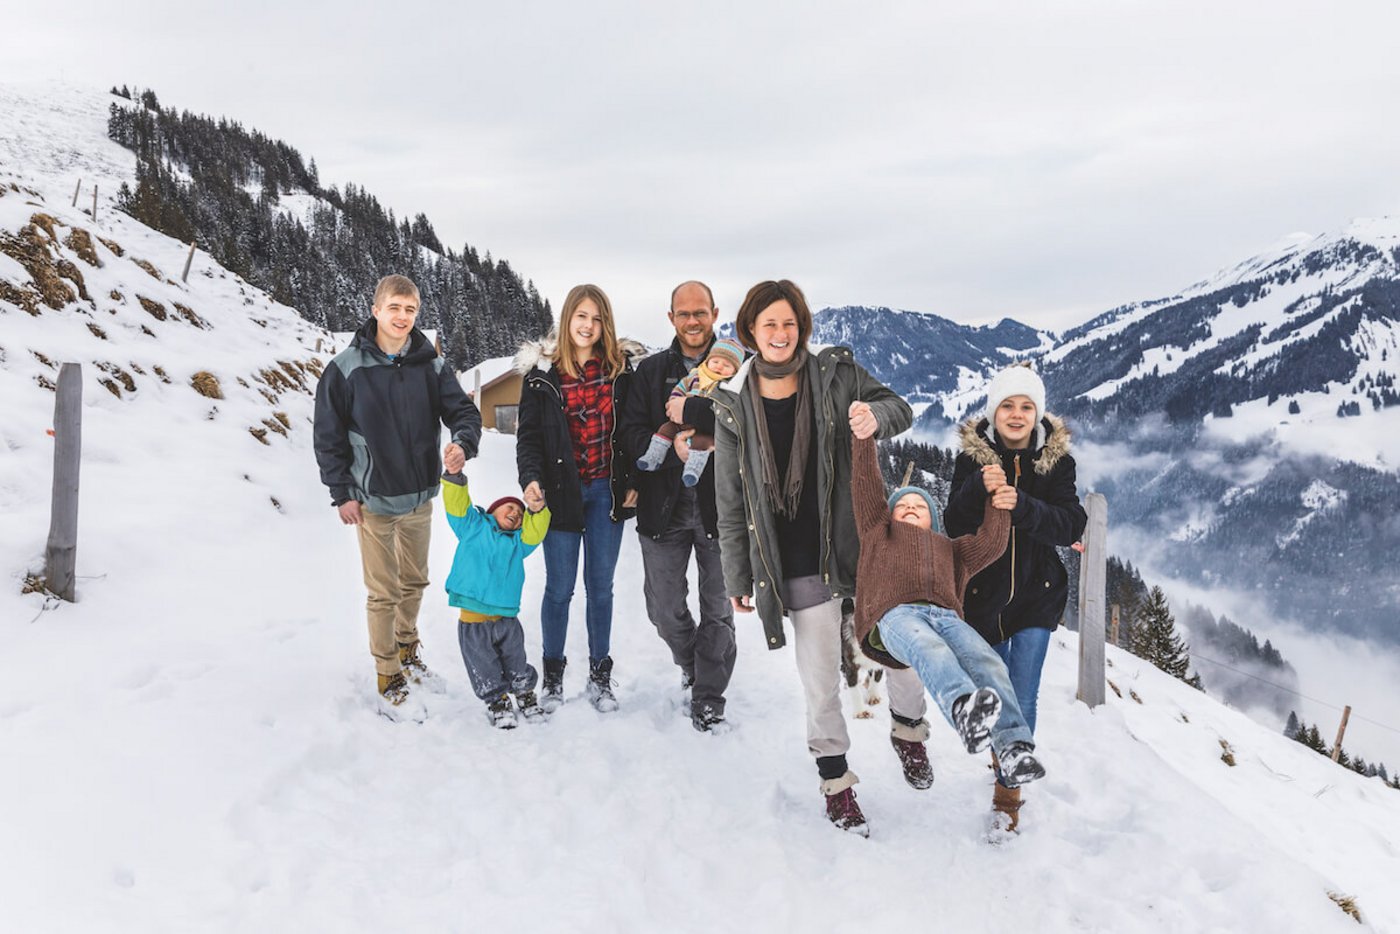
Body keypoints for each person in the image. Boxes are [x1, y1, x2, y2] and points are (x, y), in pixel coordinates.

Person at [711, 279, 933, 837]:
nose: (780, 334)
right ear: (751, 332)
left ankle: (909, 732)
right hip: (795, 559)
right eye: (769, 325)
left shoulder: (835, 374)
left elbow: (898, 407)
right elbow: (730, 500)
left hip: (861, 546)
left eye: (789, 323)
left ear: (801, 327)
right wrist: (738, 573)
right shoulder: (734, 401)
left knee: (900, 649)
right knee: (820, 681)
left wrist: (875, 419)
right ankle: (837, 785)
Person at [313, 274, 481, 713]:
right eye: (394, 308)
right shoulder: (346, 368)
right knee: (383, 591)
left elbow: (462, 410)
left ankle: (407, 646)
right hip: (371, 502)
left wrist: (462, 443)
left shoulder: (431, 364)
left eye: (410, 310)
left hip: (420, 497)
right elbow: (327, 436)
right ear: (376, 310)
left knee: (415, 581)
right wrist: (341, 493)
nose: (402, 317)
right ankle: (388, 670)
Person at [848, 433, 1047, 794]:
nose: (910, 506)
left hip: (947, 618)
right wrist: (864, 440)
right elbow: (865, 486)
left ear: (934, 520)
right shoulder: (878, 534)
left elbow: (992, 543)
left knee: (988, 662)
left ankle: (1014, 748)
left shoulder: (951, 549)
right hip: (895, 616)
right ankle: (963, 710)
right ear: (888, 516)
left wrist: (997, 500)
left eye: (919, 505)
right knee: (931, 649)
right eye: (902, 504)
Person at [945, 363, 1087, 831]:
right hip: (984, 598)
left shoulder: (1056, 462)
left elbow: (1071, 525)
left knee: (1022, 693)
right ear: (994, 411)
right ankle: (1001, 752)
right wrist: (975, 489)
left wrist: (1021, 506)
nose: (1017, 414)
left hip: (1036, 597)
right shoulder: (972, 458)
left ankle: (1008, 792)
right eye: (1008, 405)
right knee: (994, 688)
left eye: (1026, 406)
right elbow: (953, 524)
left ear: (1038, 413)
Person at [515, 284, 641, 713]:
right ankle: (552, 677)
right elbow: (528, 437)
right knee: (559, 589)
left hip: (607, 493)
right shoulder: (541, 376)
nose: (589, 326)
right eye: (581, 316)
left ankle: (599, 678)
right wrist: (531, 479)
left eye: (597, 318)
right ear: (567, 319)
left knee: (600, 588)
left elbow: (635, 430)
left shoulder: (622, 372)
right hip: (560, 496)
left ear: (606, 324)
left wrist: (635, 478)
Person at [620, 281, 738, 733]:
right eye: (684, 313)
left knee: (718, 607)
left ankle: (708, 695)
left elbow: (755, 434)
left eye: (701, 312)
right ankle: (695, 665)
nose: (693, 321)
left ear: (715, 314)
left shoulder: (740, 370)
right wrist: (676, 450)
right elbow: (629, 435)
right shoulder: (650, 372)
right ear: (671, 317)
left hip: (722, 509)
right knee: (664, 609)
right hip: (663, 508)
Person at [440, 467, 550, 729]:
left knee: (516, 659)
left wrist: (535, 510)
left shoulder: (519, 542)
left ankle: (524, 692)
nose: (515, 513)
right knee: (483, 664)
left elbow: (536, 532)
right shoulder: (472, 526)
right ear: (492, 511)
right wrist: (455, 477)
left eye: (520, 514)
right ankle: (497, 701)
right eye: (510, 508)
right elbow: (457, 505)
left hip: (506, 618)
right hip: (473, 619)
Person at [634, 336, 746, 489]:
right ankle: (653, 456)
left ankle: (693, 470)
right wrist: (675, 401)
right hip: (681, 421)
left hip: (706, 429)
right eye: (715, 362)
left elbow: (730, 409)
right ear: (708, 361)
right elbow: (681, 386)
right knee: (665, 429)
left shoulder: (731, 386)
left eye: (726, 365)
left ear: (736, 370)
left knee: (701, 443)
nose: (719, 367)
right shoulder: (696, 374)